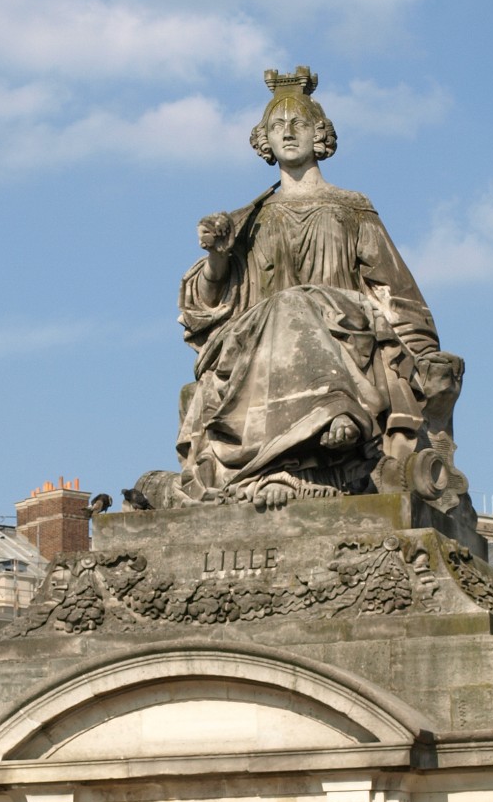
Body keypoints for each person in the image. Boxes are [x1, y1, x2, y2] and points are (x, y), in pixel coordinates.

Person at [176, 66, 463, 508]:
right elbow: (206, 307)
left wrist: (420, 356)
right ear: (263, 140)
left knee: (294, 303)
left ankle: (332, 420)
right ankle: (308, 439)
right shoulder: (247, 220)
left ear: (320, 135)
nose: (287, 133)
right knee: (285, 307)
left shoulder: (351, 209)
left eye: (299, 124)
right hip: (257, 347)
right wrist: (217, 255)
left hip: (344, 335)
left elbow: (396, 293)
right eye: (277, 126)